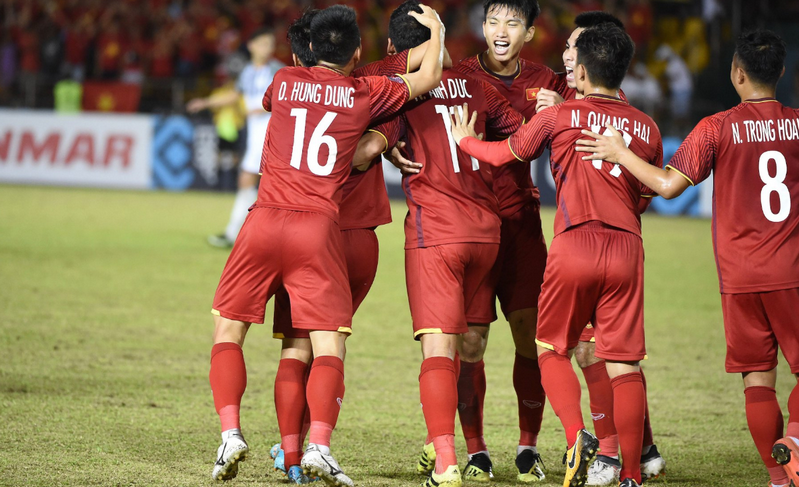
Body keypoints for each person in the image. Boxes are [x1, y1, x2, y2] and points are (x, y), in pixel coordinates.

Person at [207, 4, 445, 486]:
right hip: (319, 230)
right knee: (326, 346)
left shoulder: (282, 82)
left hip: (264, 220)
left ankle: (231, 434)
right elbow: (426, 77)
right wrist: (438, 31)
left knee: (230, 333)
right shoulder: (365, 91)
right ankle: (318, 445)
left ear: (309, 49)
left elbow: (285, 98)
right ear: (357, 50)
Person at [574, 29, 799, 487]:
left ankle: (779, 478)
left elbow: (667, 185)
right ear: (779, 71)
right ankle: (794, 439)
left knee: (757, 380)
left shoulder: (715, 127)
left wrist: (619, 152)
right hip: (792, 269)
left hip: (737, 277)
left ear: (736, 73)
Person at [450, 22, 663, 487]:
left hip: (574, 244)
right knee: (622, 362)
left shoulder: (557, 116)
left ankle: (577, 435)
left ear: (581, 70)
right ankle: (631, 471)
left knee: (550, 347)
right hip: (628, 246)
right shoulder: (646, 125)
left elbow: (508, 153)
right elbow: (648, 189)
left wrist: (465, 140)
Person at [415, 2, 567, 480]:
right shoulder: (457, 76)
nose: (502, 31)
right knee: (472, 342)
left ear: (529, 32)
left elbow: (597, 112)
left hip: (521, 222)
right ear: (482, 28)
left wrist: (561, 113)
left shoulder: (549, 81)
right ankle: (476, 450)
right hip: (472, 223)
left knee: (531, 336)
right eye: (494, 22)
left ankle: (528, 447)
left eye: (513, 23)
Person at [378, 2, 523, 486]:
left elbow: (362, 125)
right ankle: (472, 448)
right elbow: (523, 137)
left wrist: (384, 145)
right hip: (487, 233)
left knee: (438, 350)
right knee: (473, 345)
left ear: (396, 47)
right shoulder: (476, 83)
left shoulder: (397, 85)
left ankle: (446, 461)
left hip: (435, 233)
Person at [536, 13, 667, 485]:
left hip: (584, 241)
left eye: (577, 46)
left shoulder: (602, 107)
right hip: (621, 246)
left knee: (593, 352)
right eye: (567, 47)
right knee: (617, 356)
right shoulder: (577, 100)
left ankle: (611, 451)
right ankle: (638, 452)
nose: (568, 55)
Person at [187, 27, 283, 248]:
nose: (267, 48)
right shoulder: (248, 71)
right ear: (251, 46)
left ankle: (239, 234)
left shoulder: (277, 70)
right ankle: (242, 234)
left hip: (272, 132)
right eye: (263, 44)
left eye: (269, 44)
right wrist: (205, 102)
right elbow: (234, 95)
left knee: (255, 180)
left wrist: (263, 109)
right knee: (254, 182)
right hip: (255, 135)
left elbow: (287, 95)